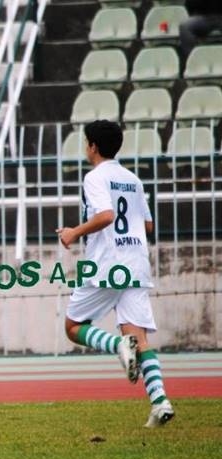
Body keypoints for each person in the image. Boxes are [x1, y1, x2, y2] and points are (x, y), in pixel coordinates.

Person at [56, 120, 175, 428]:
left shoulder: (95, 177)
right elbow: (147, 225)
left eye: (86, 143)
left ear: (93, 146)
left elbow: (107, 216)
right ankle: (160, 402)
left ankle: (117, 346)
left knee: (73, 326)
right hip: (136, 260)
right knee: (139, 337)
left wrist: (73, 233)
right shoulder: (132, 179)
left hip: (108, 263)